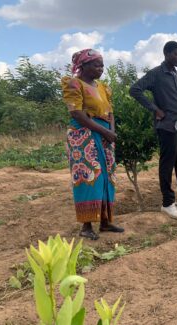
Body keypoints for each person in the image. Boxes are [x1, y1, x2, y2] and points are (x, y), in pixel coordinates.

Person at [130, 41, 177, 220]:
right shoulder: (156, 73)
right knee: (167, 165)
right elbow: (135, 90)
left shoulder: (174, 73)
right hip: (167, 126)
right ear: (166, 54)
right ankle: (167, 203)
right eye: (176, 54)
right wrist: (155, 109)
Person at [62, 49, 124, 240]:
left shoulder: (103, 87)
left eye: (102, 65)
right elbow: (77, 114)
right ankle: (86, 226)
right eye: (96, 65)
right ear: (84, 66)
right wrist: (104, 131)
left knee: (107, 178)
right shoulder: (74, 84)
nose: (100, 69)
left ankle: (105, 222)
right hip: (84, 135)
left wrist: (110, 131)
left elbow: (110, 112)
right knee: (89, 178)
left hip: (105, 135)